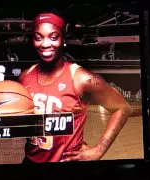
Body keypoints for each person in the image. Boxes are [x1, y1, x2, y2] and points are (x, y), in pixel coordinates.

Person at [19, 10, 132, 163]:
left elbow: (123, 108)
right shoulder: (25, 77)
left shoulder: (82, 79)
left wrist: (99, 150)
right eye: (39, 38)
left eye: (53, 37)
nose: (45, 44)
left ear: (63, 38)